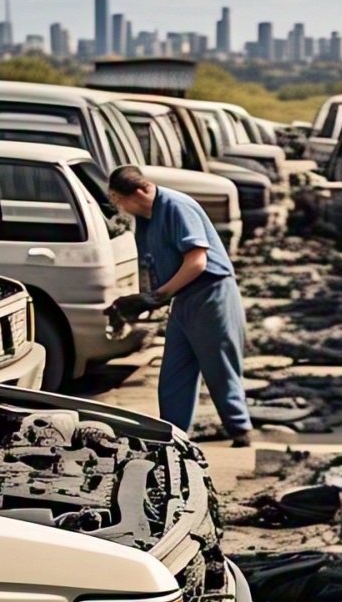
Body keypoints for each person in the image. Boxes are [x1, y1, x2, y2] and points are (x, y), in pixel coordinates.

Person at [107, 166, 253, 447]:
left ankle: (240, 430)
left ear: (139, 192)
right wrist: (140, 302)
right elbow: (152, 264)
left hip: (210, 295)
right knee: (175, 371)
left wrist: (159, 295)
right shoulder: (146, 219)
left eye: (117, 198)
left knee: (219, 367)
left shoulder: (176, 206)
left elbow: (197, 261)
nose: (118, 206)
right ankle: (172, 436)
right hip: (183, 298)